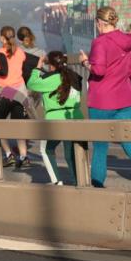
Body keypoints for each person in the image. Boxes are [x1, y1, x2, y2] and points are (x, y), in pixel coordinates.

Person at [78, 6, 131, 193]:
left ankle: (98, 188)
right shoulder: (127, 42)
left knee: (100, 146)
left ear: (99, 23)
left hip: (102, 101)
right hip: (125, 99)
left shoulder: (100, 42)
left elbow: (99, 70)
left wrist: (84, 62)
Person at [26, 51, 83, 185]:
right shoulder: (75, 76)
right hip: (76, 117)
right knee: (71, 154)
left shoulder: (50, 78)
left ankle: (57, 181)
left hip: (56, 119)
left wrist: (38, 68)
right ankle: (78, 182)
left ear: (51, 65)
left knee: (46, 149)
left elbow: (31, 84)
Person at [0, 26, 31, 169]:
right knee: (18, 125)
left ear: (3, 38)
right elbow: (25, 70)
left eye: (0, 37)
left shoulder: (1, 51)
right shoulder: (21, 52)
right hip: (20, 92)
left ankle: (9, 155)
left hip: (7, 91)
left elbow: (3, 70)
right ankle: (24, 156)